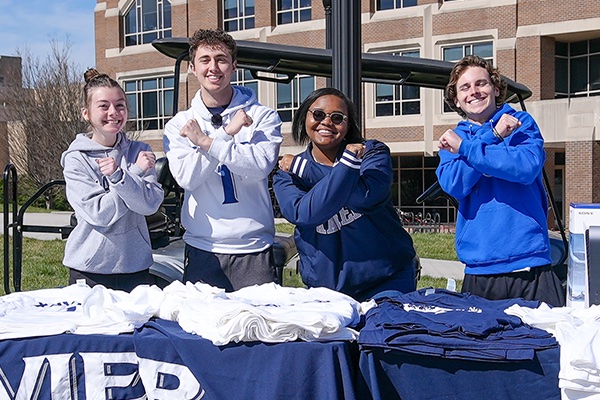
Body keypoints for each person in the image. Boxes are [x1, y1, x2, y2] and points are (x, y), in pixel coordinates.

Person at [436, 55, 565, 307]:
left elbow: (524, 168)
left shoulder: (521, 123)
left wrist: (467, 151)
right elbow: (455, 184)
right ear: (456, 99)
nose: (474, 92)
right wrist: (492, 136)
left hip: (530, 264)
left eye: (481, 84)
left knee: (544, 343)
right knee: (481, 347)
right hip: (479, 267)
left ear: (496, 89)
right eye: (465, 87)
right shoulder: (454, 138)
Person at [163, 29, 283, 291]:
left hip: (254, 248)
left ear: (234, 66)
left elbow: (259, 167)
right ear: (193, 68)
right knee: (201, 329)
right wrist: (227, 133)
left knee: (257, 329)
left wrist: (207, 143)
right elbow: (187, 178)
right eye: (205, 60)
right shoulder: (180, 124)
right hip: (204, 248)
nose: (213, 67)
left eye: (221, 59)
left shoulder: (262, 116)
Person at [273, 87, 417, 302]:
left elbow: (366, 196)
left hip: (387, 279)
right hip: (325, 290)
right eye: (318, 114)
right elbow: (305, 214)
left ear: (348, 124)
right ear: (305, 118)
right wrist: (347, 169)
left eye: (337, 117)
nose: (327, 122)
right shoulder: (287, 174)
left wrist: (304, 168)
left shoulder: (371, 152)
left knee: (383, 333)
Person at [61, 68, 163, 292]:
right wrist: (132, 174)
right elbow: (100, 214)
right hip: (90, 269)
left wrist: (122, 177)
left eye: (119, 105)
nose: (113, 112)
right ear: (86, 113)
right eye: (103, 106)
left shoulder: (140, 150)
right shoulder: (76, 159)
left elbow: (149, 205)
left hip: (135, 266)